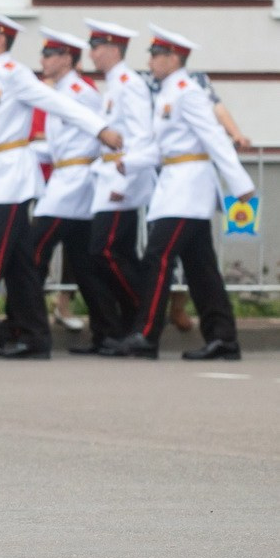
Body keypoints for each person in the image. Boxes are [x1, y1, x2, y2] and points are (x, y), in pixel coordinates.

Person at [0, 9, 120, 359]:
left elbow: (58, 103)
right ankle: (34, 336)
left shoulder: (12, 74)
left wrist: (99, 129)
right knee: (19, 263)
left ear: (0, 40)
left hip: (12, 176)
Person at [105, 27, 256, 361]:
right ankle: (223, 339)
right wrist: (129, 164)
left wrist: (241, 185)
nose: (150, 61)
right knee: (201, 268)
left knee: (156, 258)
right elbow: (159, 148)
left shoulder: (187, 92)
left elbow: (214, 138)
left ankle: (146, 335)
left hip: (189, 188)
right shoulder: (168, 92)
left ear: (173, 58)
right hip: (175, 184)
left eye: (156, 55)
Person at [31, 28, 118, 351]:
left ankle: (25, 327)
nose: (43, 60)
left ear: (67, 59)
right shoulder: (60, 91)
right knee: (85, 265)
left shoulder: (81, 92)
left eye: (49, 55)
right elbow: (57, 144)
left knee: (32, 252)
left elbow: (101, 135)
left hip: (74, 181)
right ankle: (107, 332)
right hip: (65, 177)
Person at [81, 19, 157, 352]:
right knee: (117, 252)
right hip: (109, 176)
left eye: (97, 47)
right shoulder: (114, 85)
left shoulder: (129, 84)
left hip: (123, 178)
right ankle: (132, 323)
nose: (92, 53)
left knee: (106, 251)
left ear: (113, 49)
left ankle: (145, 311)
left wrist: (125, 184)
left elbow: (142, 137)